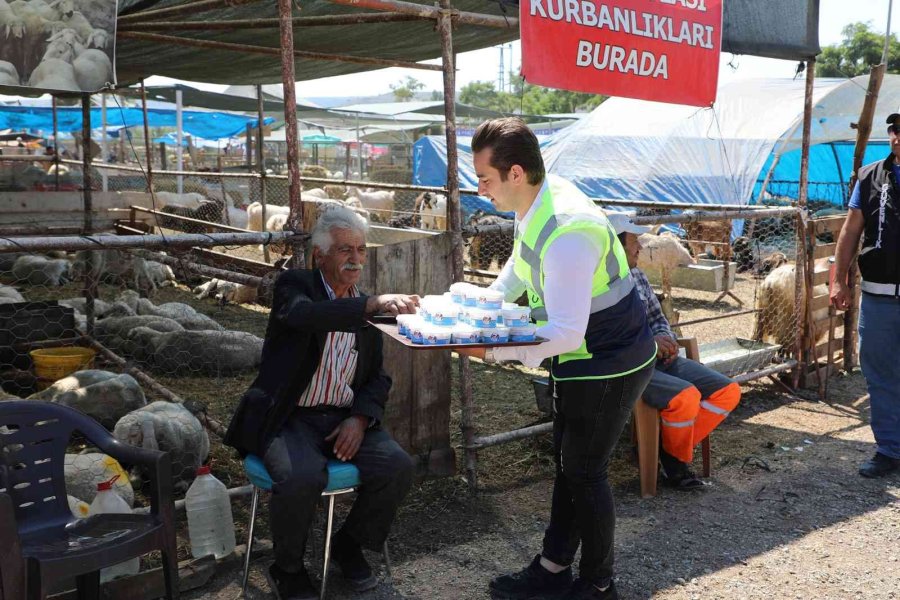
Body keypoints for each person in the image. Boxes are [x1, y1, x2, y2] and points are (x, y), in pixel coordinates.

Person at [456, 118, 657, 600]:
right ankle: (552, 569)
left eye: (484, 178)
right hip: (583, 357)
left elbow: (565, 332)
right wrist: (488, 301)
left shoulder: (568, 229)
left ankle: (599, 584)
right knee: (572, 466)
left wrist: (491, 350)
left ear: (516, 173)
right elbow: (522, 261)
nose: (480, 189)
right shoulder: (535, 201)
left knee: (585, 471)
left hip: (609, 360)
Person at [224, 206, 419, 599]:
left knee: (397, 466)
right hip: (289, 418)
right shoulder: (295, 287)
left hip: (342, 417)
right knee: (301, 476)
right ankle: (288, 568)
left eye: (361, 250)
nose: (355, 259)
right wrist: (370, 305)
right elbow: (305, 316)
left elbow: (377, 377)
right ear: (320, 254)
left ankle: (348, 545)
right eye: (345, 249)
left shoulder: (364, 306)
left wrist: (360, 419)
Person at [608, 213, 741, 490]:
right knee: (686, 396)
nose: (640, 247)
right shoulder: (599, 286)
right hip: (630, 366)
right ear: (614, 246)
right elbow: (611, 338)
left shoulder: (638, 275)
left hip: (658, 358)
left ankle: (666, 449)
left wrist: (666, 339)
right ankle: (676, 464)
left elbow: (658, 318)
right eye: (634, 241)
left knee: (728, 392)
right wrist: (651, 344)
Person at [831, 109, 900, 479]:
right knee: (879, 374)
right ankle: (889, 450)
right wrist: (838, 279)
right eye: (894, 129)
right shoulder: (870, 176)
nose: (898, 136)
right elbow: (850, 229)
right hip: (878, 297)